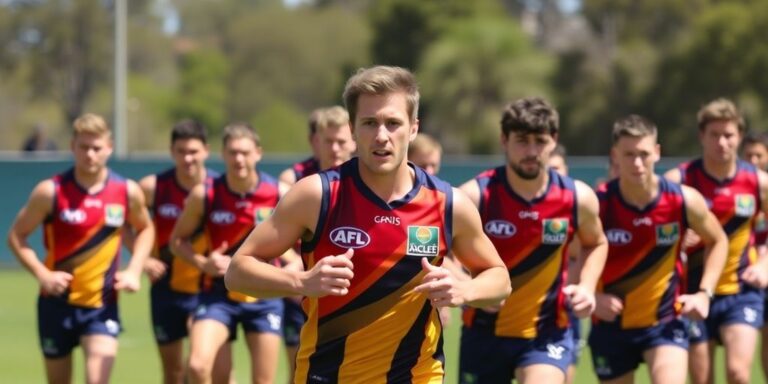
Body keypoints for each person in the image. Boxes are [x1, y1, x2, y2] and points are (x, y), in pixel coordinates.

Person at [225, 65, 511, 383]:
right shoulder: (317, 195)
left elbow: (500, 280)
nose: (381, 136)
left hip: (416, 375)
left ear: (413, 128)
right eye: (370, 123)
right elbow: (237, 272)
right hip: (328, 374)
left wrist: (465, 289)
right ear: (352, 128)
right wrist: (302, 282)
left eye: (393, 123)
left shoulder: (448, 203)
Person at [456, 97, 608, 384]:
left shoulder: (577, 198)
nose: (531, 151)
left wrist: (587, 287)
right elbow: (446, 253)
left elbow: (596, 243)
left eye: (540, 141)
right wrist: (473, 288)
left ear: (554, 141)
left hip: (547, 333)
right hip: (483, 334)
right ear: (504, 140)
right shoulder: (477, 196)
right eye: (522, 141)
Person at [7, 113, 154, 384]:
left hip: (102, 306)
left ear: (109, 148)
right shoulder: (50, 192)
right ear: (73, 146)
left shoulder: (126, 192)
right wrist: (42, 275)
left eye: (96, 148)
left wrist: (135, 269)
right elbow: (17, 236)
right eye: (84, 147)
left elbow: (146, 228)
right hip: (55, 304)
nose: (90, 154)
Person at [590, 115, 727, 384]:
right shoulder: (598, 204)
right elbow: (571, 259)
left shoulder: (683, 200)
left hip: (665, 323)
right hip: (610, 326)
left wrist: (704, 293)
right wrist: (593, 296)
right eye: (628, 154)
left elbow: (718, 240)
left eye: (643, 154)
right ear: (615, 155)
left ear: (657, 152)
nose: (637, 163)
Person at [171, 123, 288, 384]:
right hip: (217, 295)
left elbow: (301, 245)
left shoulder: (279, 193)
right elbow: (177, 241)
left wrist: (292, 269)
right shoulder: (206, 194)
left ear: (258, 153)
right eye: (233, 152)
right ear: (223, 154)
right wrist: (203, 263)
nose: (239, 159)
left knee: (263, 381)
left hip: (264, 295)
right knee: (199, 367)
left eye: (245, 152)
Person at [665, 98, 768, 384]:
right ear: (702, 136)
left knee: (738, 373)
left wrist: (765, 265)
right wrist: (678, 239)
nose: (722, 142)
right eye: (714, 135)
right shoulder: (680, 180)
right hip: (692, 293)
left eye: (729, 135)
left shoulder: (758, 183)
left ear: (739, 137)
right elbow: (655, 235)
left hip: (741, 290)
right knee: (702, 380)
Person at [137, 120, 233, 384]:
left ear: (206, 150)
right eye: (181, 151)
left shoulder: (221, 188)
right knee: (173, 372)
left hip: (209, 292)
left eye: (193, 151)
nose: (188, 158)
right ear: (172, 152)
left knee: (211, 369)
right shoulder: (153, 187)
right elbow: (124, 221)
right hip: (166, 288)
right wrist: (142, 259)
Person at [277, 106, 356, 382]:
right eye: (329, 141)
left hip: (351, 292)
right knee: (299, 370)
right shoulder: (294, 180)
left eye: (342, 142)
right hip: (302, 287)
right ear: (316, 142)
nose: (335, 148)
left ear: (353, 141)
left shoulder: (367, 180)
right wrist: (302, 275)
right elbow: (278, 237)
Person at [547, 143, 582, 384]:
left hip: (564, 307)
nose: (553, 175)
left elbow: (588, 252)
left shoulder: (577, 207)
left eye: (557, 168)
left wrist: (575, 286)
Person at [739, 131, 768, 382]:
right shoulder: (736, 189)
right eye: (748, 155)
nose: (753, 160)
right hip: (741, 277)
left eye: (759, 155)